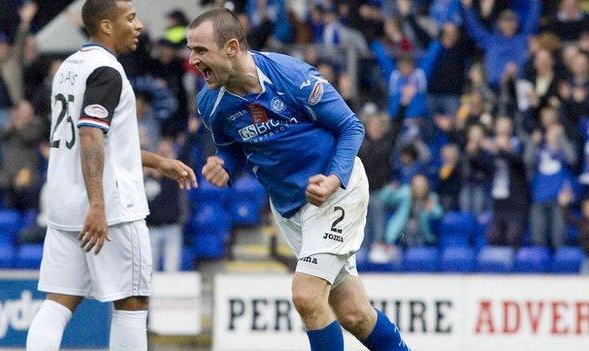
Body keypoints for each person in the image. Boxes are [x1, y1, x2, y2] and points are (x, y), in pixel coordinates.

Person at [188, 8, 409, 351]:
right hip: (290, 207)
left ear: (231, 47)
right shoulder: (210, 103)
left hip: (337, 190)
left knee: (306, 295)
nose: (192, 60)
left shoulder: (291, 76)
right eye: (191, 50)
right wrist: (225, 164)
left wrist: (335, 179)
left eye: (200, 51)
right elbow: (232, 145)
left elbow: (351, 126)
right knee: (354, 315)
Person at [25, 1, 197, 350]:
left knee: (57, 304)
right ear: (106, 25)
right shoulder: (107, 71)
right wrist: (99, 205)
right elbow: (90, 135)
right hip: (111, 209)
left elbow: (104, 141)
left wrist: (157, 163)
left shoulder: (69, 67)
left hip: (65, 205)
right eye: (130, 18)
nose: (139, 26)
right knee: (132, 304)